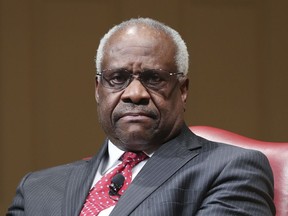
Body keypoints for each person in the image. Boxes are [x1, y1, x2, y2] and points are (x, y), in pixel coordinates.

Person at [7, 18, 275, 216]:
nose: (135, 94)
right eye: (117, 79)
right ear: (98, 90)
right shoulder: (38, 188)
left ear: (182, 91)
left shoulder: (231, 169)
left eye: (154, 78)